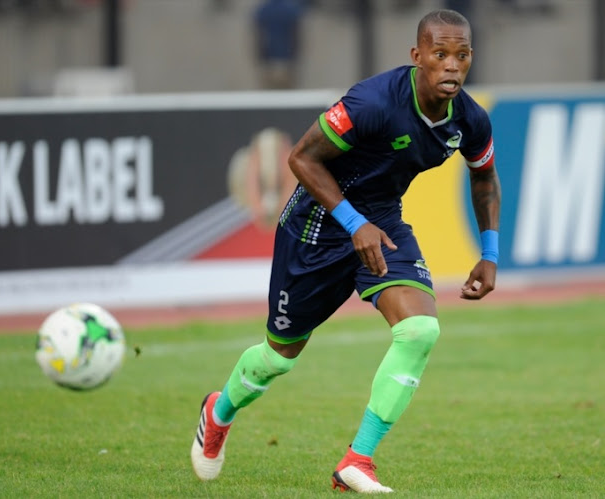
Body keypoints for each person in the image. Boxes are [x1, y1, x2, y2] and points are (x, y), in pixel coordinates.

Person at [191, 8, 501, 494]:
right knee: (279, 358)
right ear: (417, 57)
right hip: (315, 226)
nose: (451, 66)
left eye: (461, 56)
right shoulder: (373, 101)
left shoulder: (468, 119)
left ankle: (357, 460)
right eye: (439, 54)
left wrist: (490, 251)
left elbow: (483, 174)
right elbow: (301, 158)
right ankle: (218, 412)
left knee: (420, 330)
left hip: (382, 222)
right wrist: (352, 223)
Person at [253, 0, 304, 89]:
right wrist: (296, 53)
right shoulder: (291, 9)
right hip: (287, 57)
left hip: (268, 57)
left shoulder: (263, 10)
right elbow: (295, 34)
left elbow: (260, 36)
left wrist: (259, 55)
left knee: (270, 92)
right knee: (288, 91)